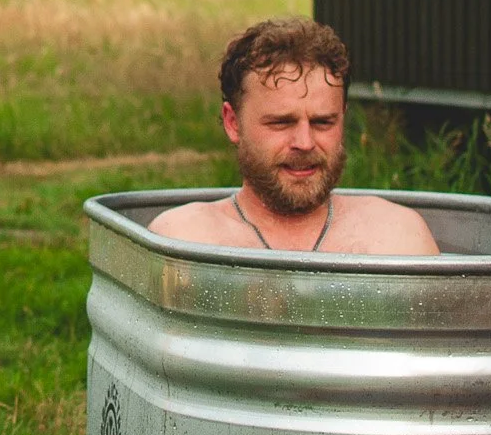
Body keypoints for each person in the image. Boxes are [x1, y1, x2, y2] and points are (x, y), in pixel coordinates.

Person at [149, 17, 439, 256]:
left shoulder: (398, 237)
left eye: (323, 122)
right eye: (281, 123)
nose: (304, 142)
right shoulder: (183, 242)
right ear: (233, 123)